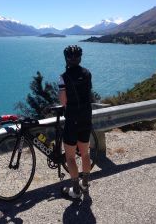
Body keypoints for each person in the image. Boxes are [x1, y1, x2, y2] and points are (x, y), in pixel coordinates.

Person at [58, 45, 92, 199]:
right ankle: (85, 184)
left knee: (70, 157)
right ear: (80, 58)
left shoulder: (63, 77)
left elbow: (63, 101)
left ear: (66, 59)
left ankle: (76, 191)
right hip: (86, 116)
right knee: (85, 153)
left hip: (72, 118)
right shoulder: (87, 73)